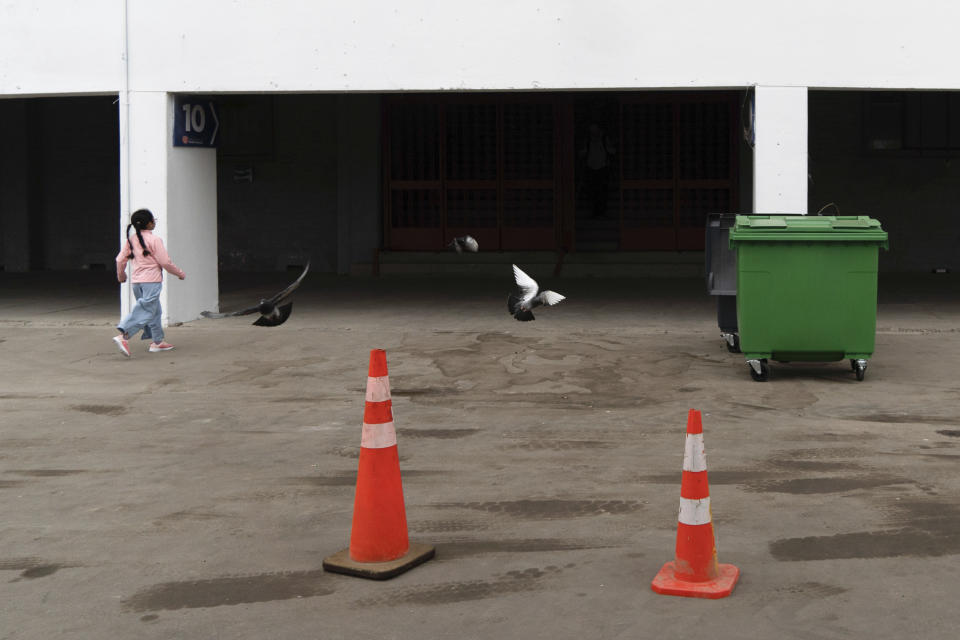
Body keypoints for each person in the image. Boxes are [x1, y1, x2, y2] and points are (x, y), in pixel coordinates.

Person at [112, 209, 186, 357]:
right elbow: (165, 262)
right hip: (151, 281)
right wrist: (179, 273)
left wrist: (121, 276)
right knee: (146, 311)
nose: (154, 223)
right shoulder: (154, 240)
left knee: (155, 311)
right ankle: (124, 335)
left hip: (137, 283)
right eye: (154, 220)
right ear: (150, 223)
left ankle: (157, 342)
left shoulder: (131, 240)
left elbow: (120, 260)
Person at [579, 122, 616, 218]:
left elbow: (612, 151)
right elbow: (583, 152)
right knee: (593, 190)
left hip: (602, 167)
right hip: (591, 167)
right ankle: (595, 211)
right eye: (592, 132)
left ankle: (601, 211)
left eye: (595, 131)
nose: (594, 134)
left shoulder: (604, 139)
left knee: (602, 190)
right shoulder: (588, 140)